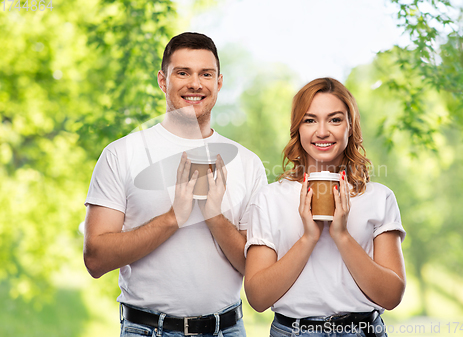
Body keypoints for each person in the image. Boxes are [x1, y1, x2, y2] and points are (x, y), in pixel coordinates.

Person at [83, 32, 267, 337]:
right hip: (146, 330)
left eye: (205, 74)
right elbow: (96, 259)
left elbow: (255, 269)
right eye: (183, 73)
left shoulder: (249, 164)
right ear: (162, 80)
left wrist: (212, 214)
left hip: (227, 330)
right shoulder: (121, 154)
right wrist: (174, 217)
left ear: (218, 82)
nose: (195, 84)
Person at [244, 77, 406, 337]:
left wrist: (341, 235)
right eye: (310, 120)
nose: (322, 131)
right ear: (297, 128)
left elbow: (391, 296)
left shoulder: (379, 198)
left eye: (335, 119)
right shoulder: (270, 198)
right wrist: (309, 237)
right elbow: (258, 298)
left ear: (350, 127)